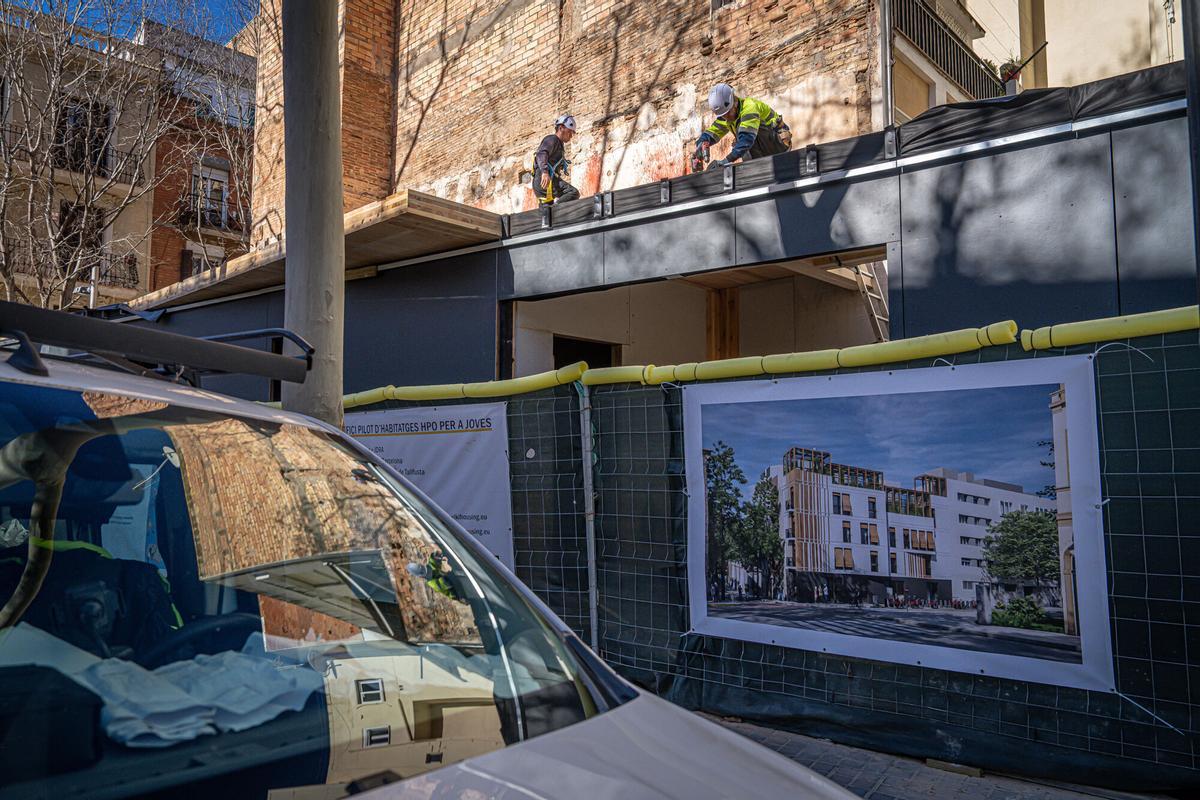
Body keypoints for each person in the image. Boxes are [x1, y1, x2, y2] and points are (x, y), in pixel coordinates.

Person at [691, 83, 791, 172]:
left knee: (743, 137)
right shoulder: (726, 117)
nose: (727, 117)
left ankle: (755, 170)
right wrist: (700, 147)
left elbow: (747, 140)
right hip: (762, 148)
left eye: (728, 113)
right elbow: (711, 133)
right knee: (741, 139)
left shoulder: (749, 107)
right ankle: (755, 171)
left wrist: (725, 161)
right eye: (723, 115)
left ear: (734, 102)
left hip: (778, 145)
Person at [531, 114, 580, 205]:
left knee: (548, 214)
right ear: (561, 128)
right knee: (573, 193)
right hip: (544, 178)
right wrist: (545, 172)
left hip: (545, 182)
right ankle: (556, 209)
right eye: (570, 132)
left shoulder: (559, 145)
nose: (571, 136)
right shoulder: (552, 139)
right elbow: (541, 154)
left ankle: (551, 211)